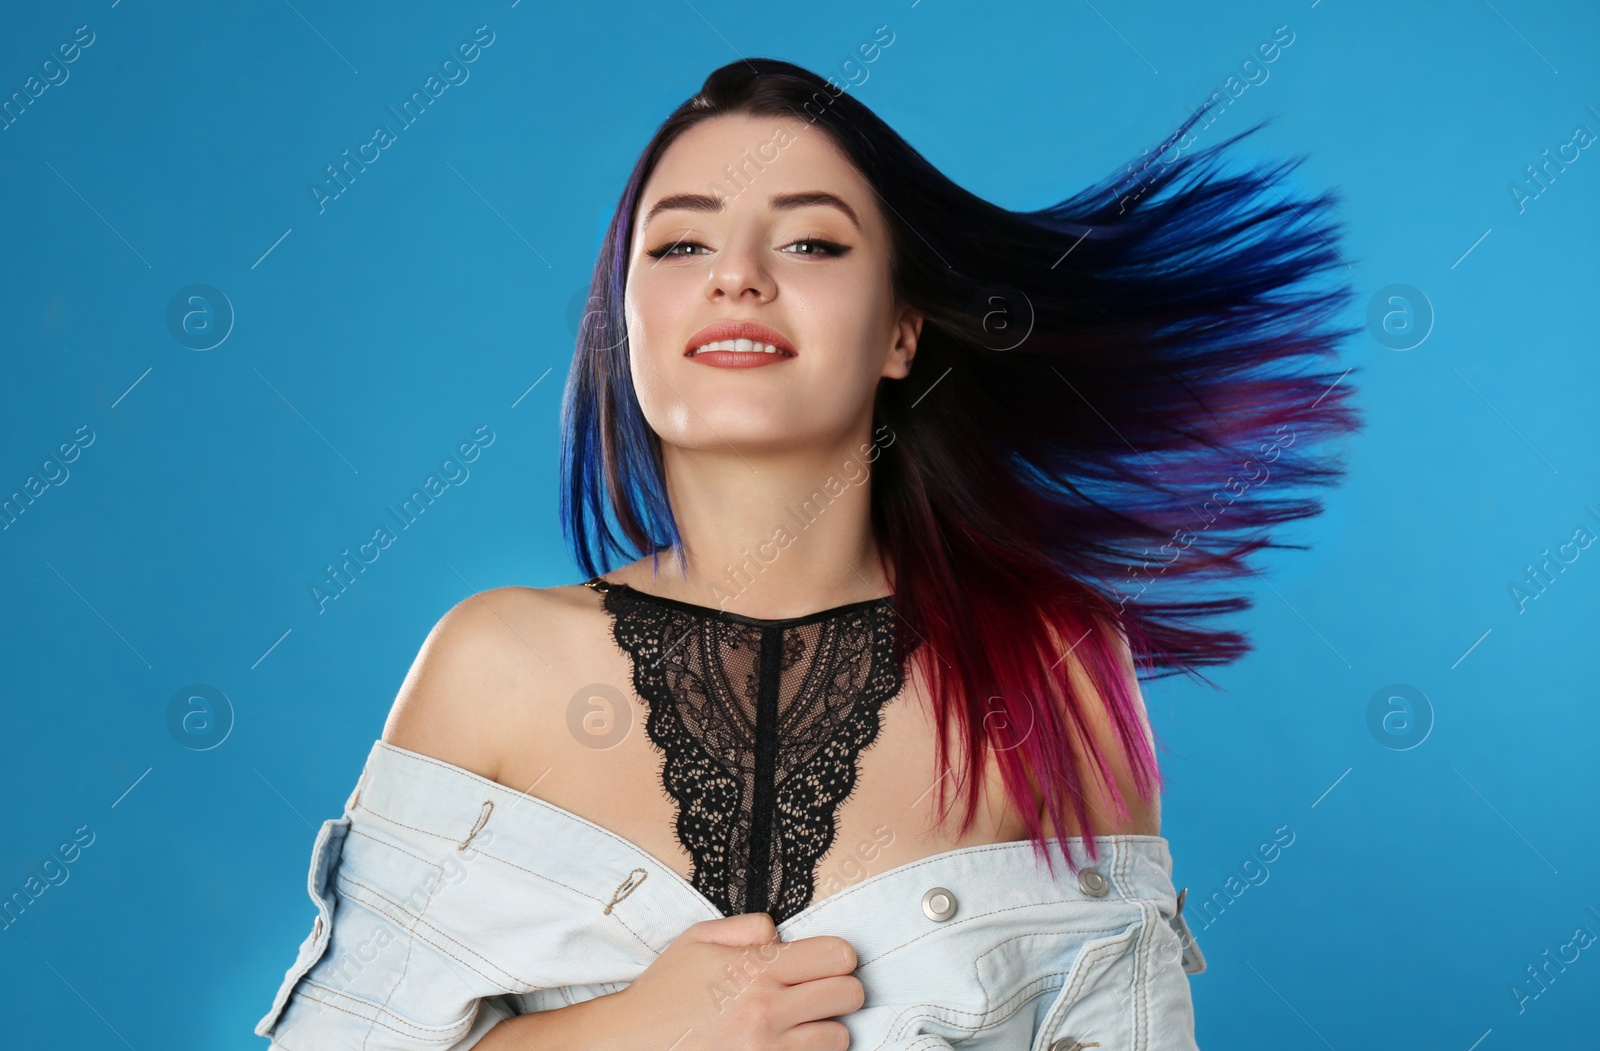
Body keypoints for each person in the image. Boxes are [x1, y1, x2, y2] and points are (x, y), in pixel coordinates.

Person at [256, 58, 1361, 1050]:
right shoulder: (490, 664)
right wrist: (641, 1034)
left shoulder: (1056, 665)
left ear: (900, 331)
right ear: (622, 318)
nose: (736, 275)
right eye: (682, 241)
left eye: (811, 241)